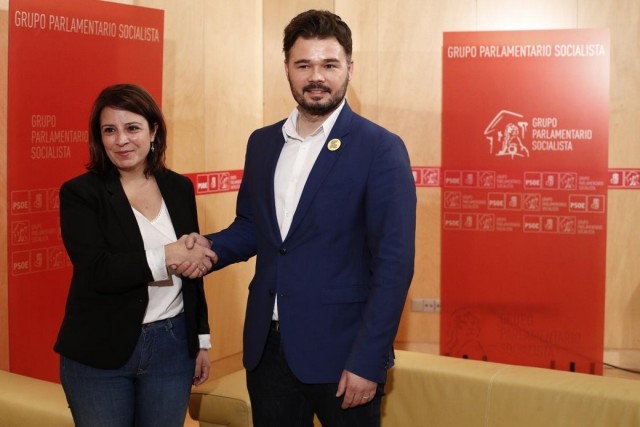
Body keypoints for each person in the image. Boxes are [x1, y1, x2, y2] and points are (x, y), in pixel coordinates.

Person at [185, 9, 416, 426]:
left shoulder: (380, 148)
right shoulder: (262, 143)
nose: (317, 76)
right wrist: (210, 248)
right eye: (304, 64)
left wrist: (368, 360)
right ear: (287, 69)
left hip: (344, 354)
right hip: (267, 351)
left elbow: (394, 265)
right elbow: (254, 227)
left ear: (349, 67)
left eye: (329, 64)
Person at [54, 83, 217, 427]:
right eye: (109, 130)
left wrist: (201, 339)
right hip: (100, 351)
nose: (121, 140)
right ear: (99, 138)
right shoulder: (81, 194)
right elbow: (97, 271)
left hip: (173, 347)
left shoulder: (179, 187)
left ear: (153, 130)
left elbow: (192, 273)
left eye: (132, 128)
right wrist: (166, 255)